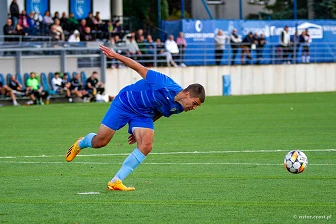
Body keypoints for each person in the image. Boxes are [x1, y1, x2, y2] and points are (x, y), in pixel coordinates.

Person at [66, 44, 206, 191]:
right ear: (187, 94)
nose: (194, 107)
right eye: (195, 103)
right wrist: (115, 56)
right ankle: (81, 142)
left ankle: (116, 181)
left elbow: (160, 112)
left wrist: (139, 130)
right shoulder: (163, 83)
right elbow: (138, 67)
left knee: (146, 145)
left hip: (144, 114)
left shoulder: (179, 108)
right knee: (100, 142)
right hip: (125, 103)